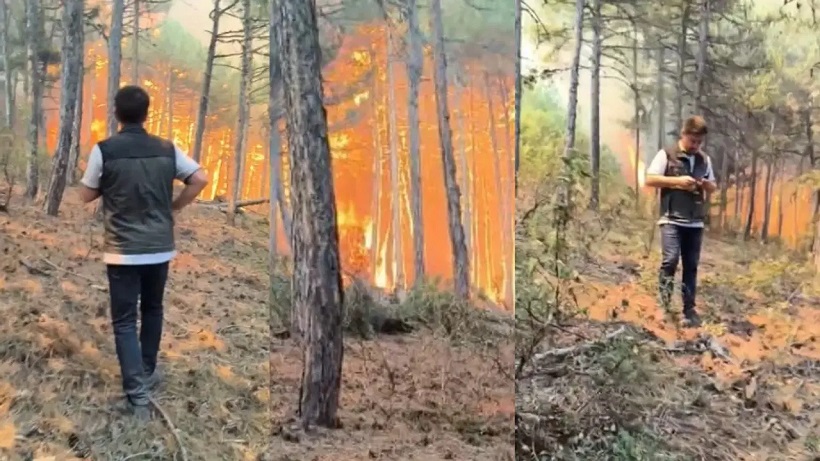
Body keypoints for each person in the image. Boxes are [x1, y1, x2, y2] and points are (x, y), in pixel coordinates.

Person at [78, 85, 209, 420]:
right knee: (152, 309)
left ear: (117, 114)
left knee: (124, 321)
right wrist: (173, 206)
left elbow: (86, 195)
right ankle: (147, 372)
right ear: (146, 114)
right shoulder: (167, 149)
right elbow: (200, 178)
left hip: (122, 251)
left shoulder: (104, 150)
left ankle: (137, 398)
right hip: (159, 248)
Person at [644, 115, 717, 327]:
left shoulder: (705, 160)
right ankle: (664, 306)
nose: (695, 146)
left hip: (695, 221)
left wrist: (704, 184)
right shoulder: (666, 154)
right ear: (683, 135)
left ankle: (689, 310)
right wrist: (677, 181)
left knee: (691, 266)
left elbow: (713, 186)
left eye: (699, 142)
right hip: (671, 219)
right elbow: (650, 178)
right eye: (692, 141)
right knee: (670, 260)